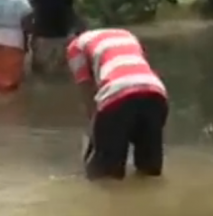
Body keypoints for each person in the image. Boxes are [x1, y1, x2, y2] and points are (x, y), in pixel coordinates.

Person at [67, 28, 168, 180]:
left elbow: (87, 92)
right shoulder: (126, 35)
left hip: (116, 92)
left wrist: (94, 140)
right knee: (149, 171)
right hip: (155, 92)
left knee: (104, 176)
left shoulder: (75, 46)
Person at [30, 0, 76, 75]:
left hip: (43, 32)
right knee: (59, 68)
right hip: (61, 32)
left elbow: (34, 9)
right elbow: (70, 10)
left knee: (41, 69)